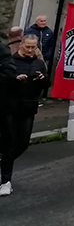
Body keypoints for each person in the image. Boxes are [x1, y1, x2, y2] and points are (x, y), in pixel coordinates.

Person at [0, 34, 50, 195]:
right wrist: (15, 79)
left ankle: (4, 164)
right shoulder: (12, 61)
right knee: (10, 143)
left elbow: (46, 85)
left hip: (29, 107)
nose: (30, 50)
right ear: (21, 45)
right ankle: (5, 180)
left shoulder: (39, 63)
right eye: (27, 46)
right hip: (10, 107)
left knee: (23, 144)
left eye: (33, 47)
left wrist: (42, 79)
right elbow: (4, 81)